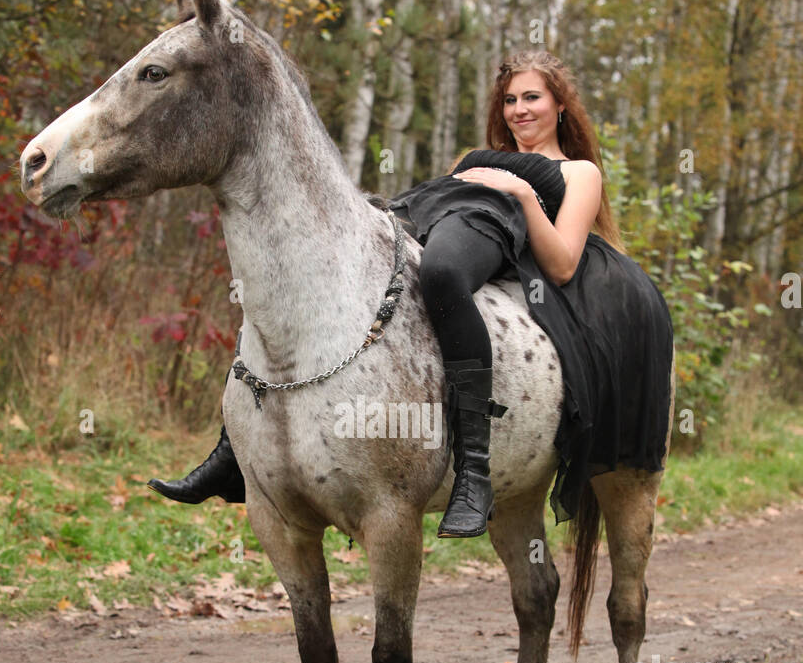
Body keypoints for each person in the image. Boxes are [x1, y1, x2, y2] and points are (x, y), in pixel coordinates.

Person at [149, 49, 673, 540]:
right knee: (312, 273)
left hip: (501, 229)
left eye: (532, 97)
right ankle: (232, 451)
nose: (519, 110)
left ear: (560, 105)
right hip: (433, 212)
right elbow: (445, 204)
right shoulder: (477, 158)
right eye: (510, 100)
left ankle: (473, 470)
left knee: (443, 274)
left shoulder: (579, 172)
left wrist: (520, 194)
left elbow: (561, 263)